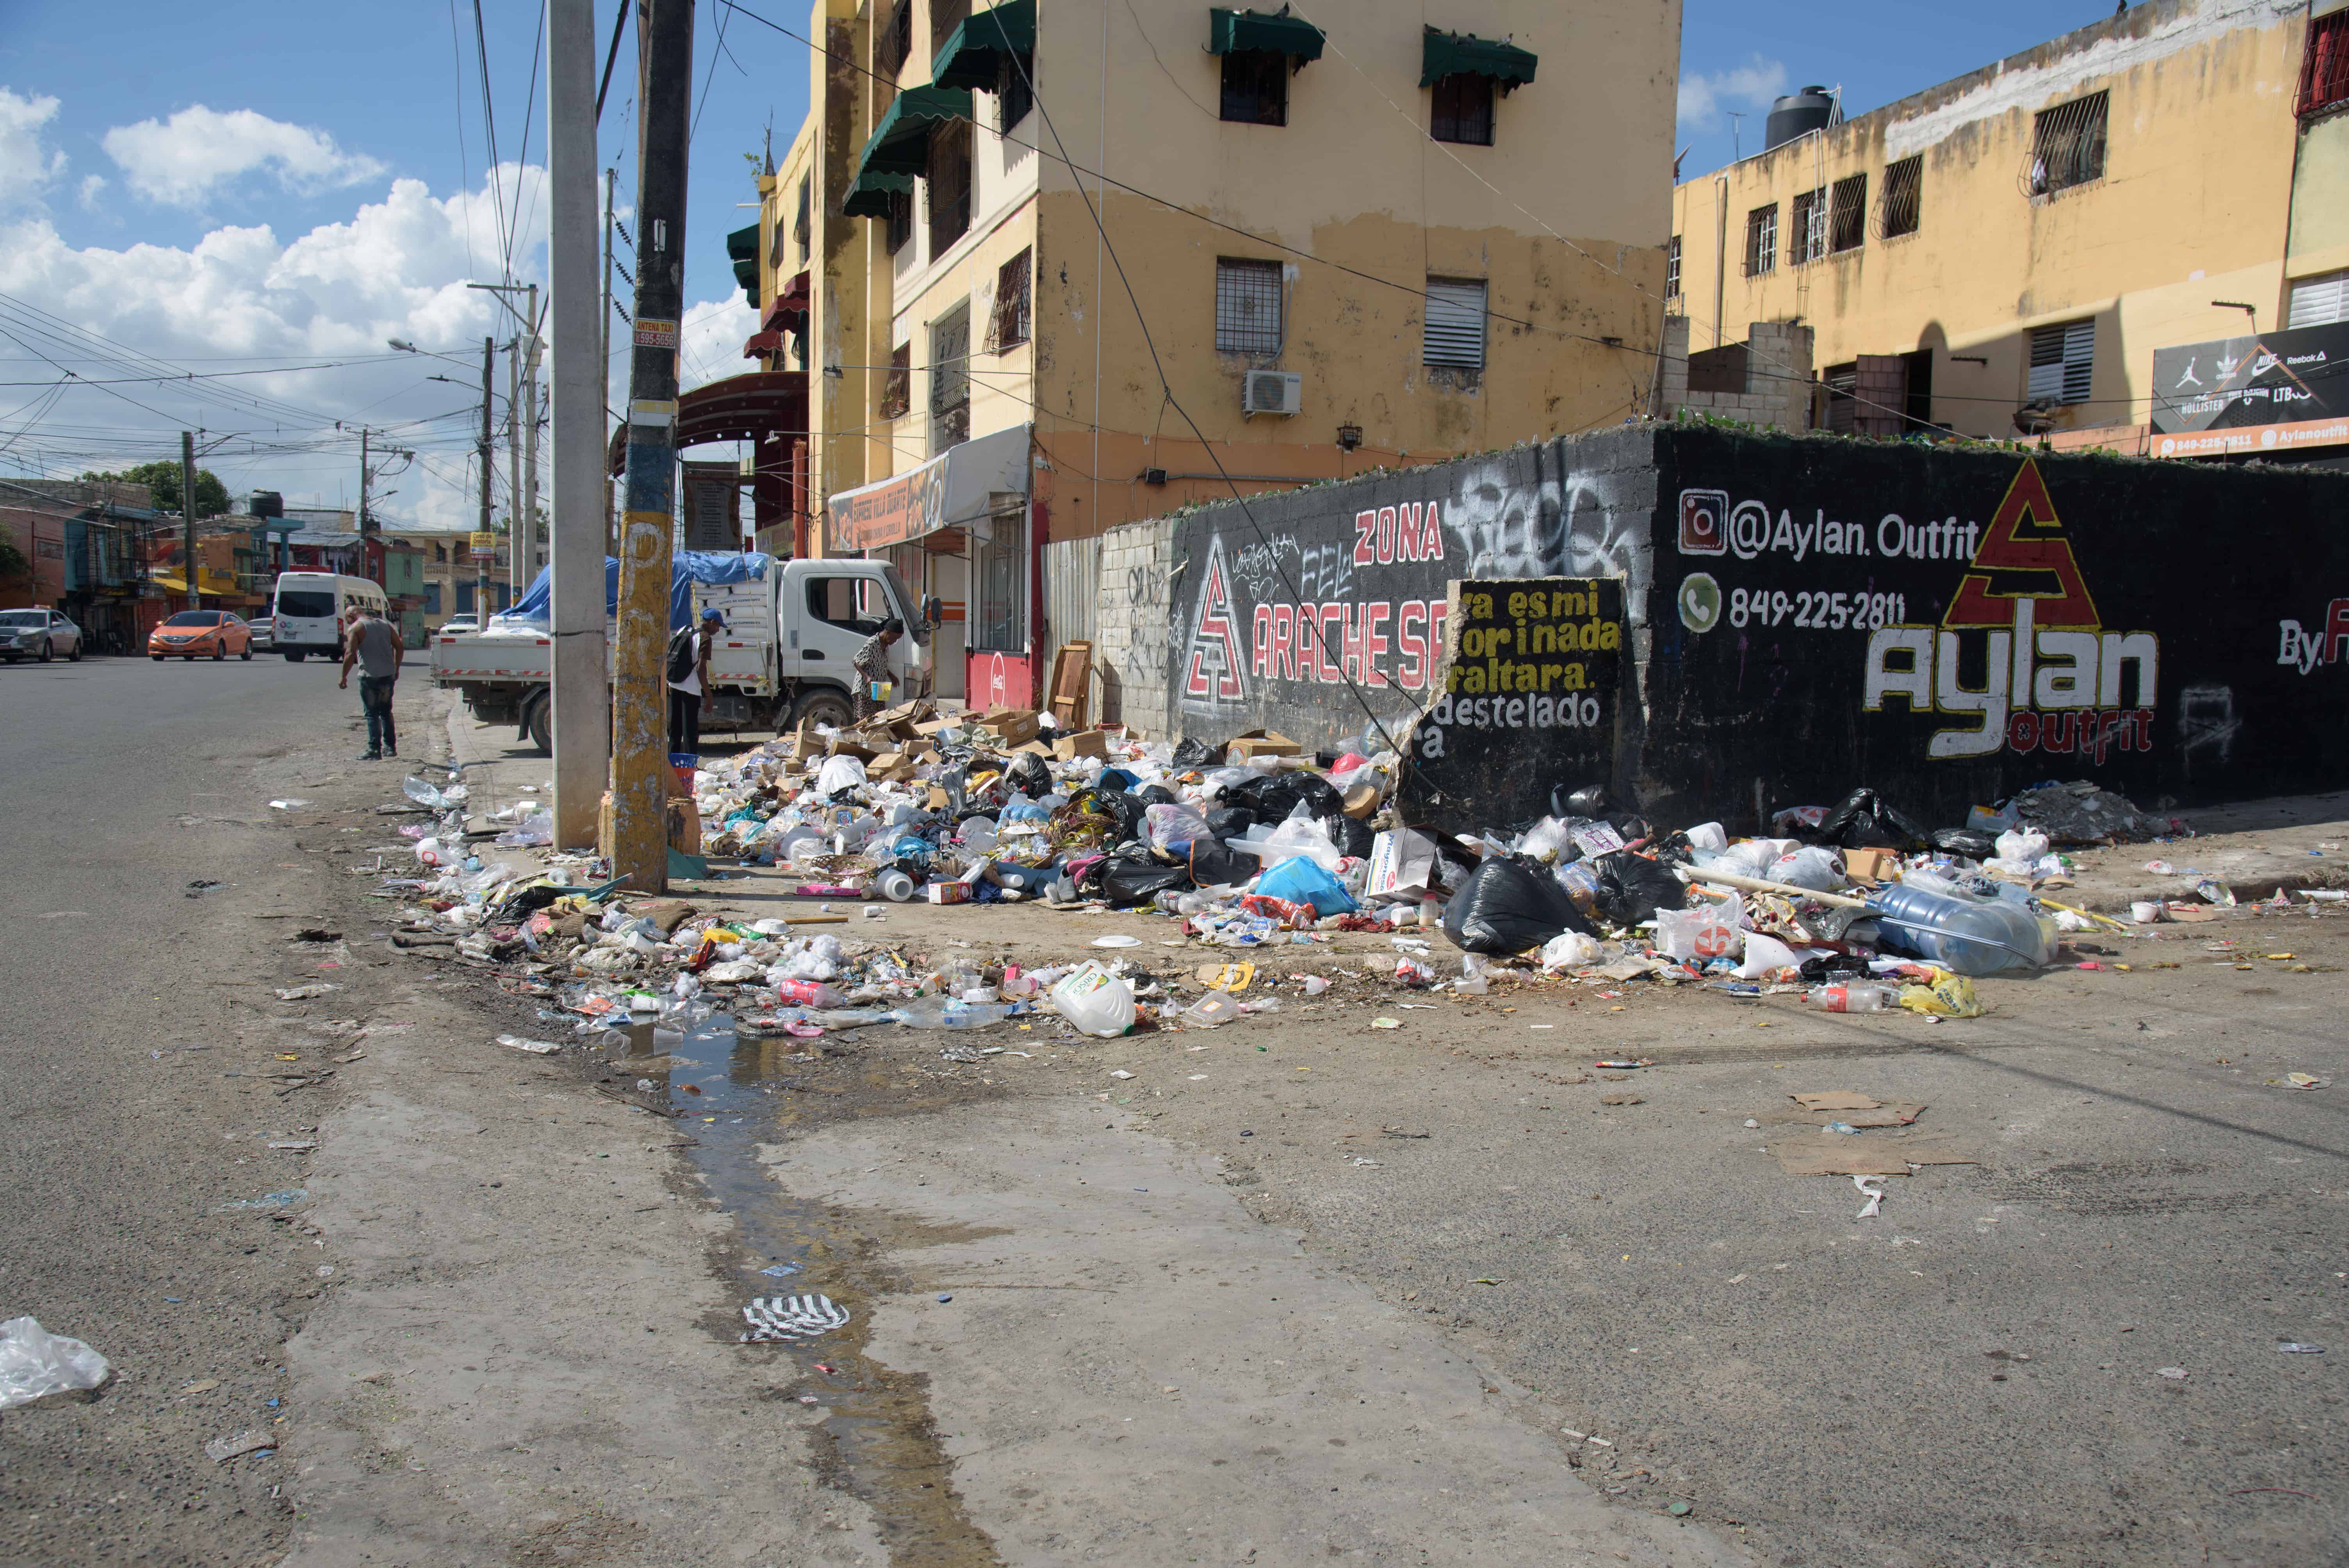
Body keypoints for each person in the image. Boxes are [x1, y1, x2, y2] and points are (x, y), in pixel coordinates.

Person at [339, 604, 405, 761]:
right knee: (386, 712)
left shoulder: (357, 628)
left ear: (352, 615)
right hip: (387, 675)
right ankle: (390, 748)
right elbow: (400, 647)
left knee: (372, 714)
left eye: (348, 620)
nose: (349, 624)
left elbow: (350, 653)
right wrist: (396, 668)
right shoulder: (385, 625)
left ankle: (374, 750)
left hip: (369, 677)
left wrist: (343, 676)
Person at [668, 608, 722, 756]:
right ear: (712, 622)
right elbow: (701, 670)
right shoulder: (705, 638)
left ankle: (673, 765)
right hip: (690, 689)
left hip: (675, 684)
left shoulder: (684, 630)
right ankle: (691, 767)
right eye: (718, 626)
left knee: (675, 728)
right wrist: (709, 696)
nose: (718, 630)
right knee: (690, 730)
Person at [852, 618, 903, 722]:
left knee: (879, 720)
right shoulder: (873, 643)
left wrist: (891, 675)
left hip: (878, 691)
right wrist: (867, 677)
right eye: (895, 638)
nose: (895, 642)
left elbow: (880, 664)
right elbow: (856, 661)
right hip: (865, 691)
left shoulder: (886, 645)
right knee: (866, 722)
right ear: (888, 633)